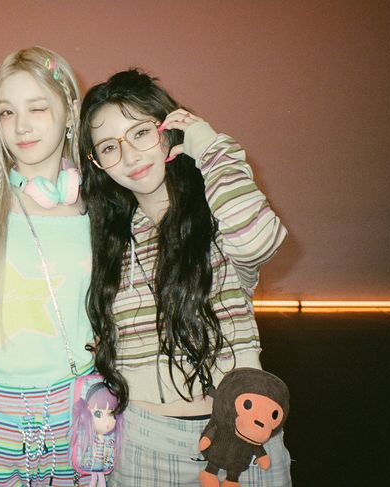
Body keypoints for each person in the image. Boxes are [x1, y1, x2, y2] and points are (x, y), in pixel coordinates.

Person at [79, 69, 291, 486]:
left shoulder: (217, 212)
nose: (129, 155)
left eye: (140, 133)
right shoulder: (107, 239)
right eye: (109, 146)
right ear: (97, 162)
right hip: (143, 443)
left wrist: (209, 144)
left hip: (243, 443)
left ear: (168, 129)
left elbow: (258, 241)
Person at [0, 46, 94, 487]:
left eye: (37, 108)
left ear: (70, 112)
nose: (21, 126)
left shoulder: (101, 205)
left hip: (78, 408)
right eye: (7, 112)